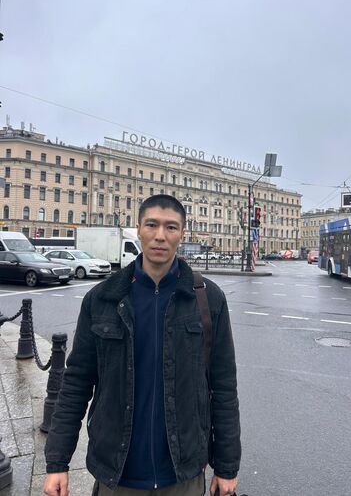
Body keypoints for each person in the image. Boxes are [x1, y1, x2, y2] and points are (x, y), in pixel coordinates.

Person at [43, 194, 241, 496]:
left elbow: (223, 386)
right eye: (152, 224)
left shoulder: (207, 298)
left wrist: (226, 467)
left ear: (182, 233)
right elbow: (76, 383)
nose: (160, 235)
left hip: (183, 473)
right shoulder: (103, 298)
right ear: (138, 229)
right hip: (118, 471)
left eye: (171, 227)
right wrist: (57, 462)